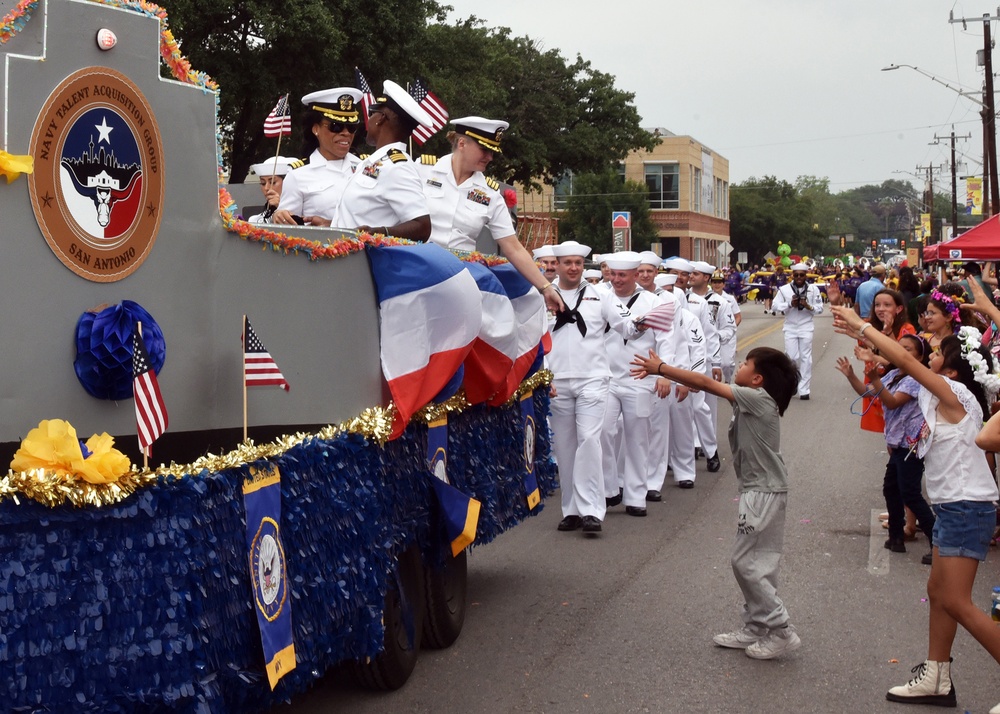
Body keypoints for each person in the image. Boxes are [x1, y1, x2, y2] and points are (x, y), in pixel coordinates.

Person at [832, 297, 1000, 712]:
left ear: (954, 369)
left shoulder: (954, 393)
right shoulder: (938, 393)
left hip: (966, 506)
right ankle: (937, 677)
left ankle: (939, 675)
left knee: (957, 600)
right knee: (939, 593)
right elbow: (898, 364)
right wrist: (870, 350)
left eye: (939, 353)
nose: (930, 353)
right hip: (953, 507)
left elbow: (907, 363)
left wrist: (860, 325)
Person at [630, 345, 802, 660]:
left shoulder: (758, 399)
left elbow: (707, 383)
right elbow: (704, 383)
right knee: (756, 561)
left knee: (745, 562)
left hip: (762, 492)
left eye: (746, 363)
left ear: (757, 379)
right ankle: (756, 626)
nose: (740, 364)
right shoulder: (755, 398)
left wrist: (662, 368)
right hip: (760, 490)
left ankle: (781, 630)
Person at [419, 116, 563, 313]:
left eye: (493, 152)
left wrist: (545, 287)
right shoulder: (422, 171)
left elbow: (513, 247)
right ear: (462, 143)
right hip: (420, 273)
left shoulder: (490, 194)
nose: (490, 157)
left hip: (459, 279)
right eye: (484, 150)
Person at [547, 241, 639, 536]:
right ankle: (571, 510)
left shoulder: (601, 295)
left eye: (578, 262)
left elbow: (628, 326)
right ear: (558, 265)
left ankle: (591, 511)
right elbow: (532, 340)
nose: (573, 267)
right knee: (565, 447)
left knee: (589, 439)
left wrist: (646, 323)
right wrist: (541, 377)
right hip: (558, 381)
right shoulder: (544, 295)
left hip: (593, 379)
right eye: (567, 263)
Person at [835, 334, 935, 561]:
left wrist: (875, 379)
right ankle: (896, 536)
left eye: (908, 349)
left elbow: (891, 401)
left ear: (919, 356)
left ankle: (937, 543)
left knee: (910, 493)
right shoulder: (893, 373)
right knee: (891, 489)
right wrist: (851, 375)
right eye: (899, 348)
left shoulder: (916, 378)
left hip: (909, 444)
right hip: (895, 442)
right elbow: (868, 393)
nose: (902, 352)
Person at [598, 252, 677, 517]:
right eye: (613, 274)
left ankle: (635, 496)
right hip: (606, 377)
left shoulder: (655, 303)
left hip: (640, 378)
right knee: (603, 433)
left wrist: (665, 373)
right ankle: (609, 489)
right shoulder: (599, 297)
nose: (617, 280)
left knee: (637, 438)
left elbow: (666, 339)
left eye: (623, 275)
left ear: (635, 276)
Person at [333, 80, 433, 241]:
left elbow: (423, 226)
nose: (368, 119)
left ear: (380, 118)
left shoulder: (398, 166)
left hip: (366, 262)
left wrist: (380, 232)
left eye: (372, 113)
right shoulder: (378, 161)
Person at [273, 88, 362, 226]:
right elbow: (288, 229)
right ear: (316, 129)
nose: (346, 133)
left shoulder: (366, 166)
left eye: (351, 127)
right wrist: (280, 216)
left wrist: (332, 224)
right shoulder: (298, 175)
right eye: (336, 126)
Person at [772, 263, 824, 400]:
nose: (799, 277)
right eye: (796, 275)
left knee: (806, 358)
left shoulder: (813, 289)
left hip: (806, 326)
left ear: (806, 275)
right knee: (791, 357)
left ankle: (804, 389)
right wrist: (790, 304)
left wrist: (808, 306)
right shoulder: (784, 290)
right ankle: (792, 383)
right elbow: (774, 306)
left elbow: (820, 308)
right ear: (792, 275)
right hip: (790, 327)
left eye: (802, 275)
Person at [246, 156, 296, 224]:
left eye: (273, 182)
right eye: (263, 183)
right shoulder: (255, 221)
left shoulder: (305, 214)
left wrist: (280, 206)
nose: (266, 188)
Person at [712, 271, 741, 382]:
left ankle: (728, 380)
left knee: (727, 363)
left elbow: (738, 316)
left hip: (727, 335)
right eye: (714, 282)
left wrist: (731, 329)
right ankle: (715, 385)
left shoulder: (730, 299)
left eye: (719, 282)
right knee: (713, 362)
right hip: (713, 334)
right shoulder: (707, 298)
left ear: (724, 284)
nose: (717, 285)